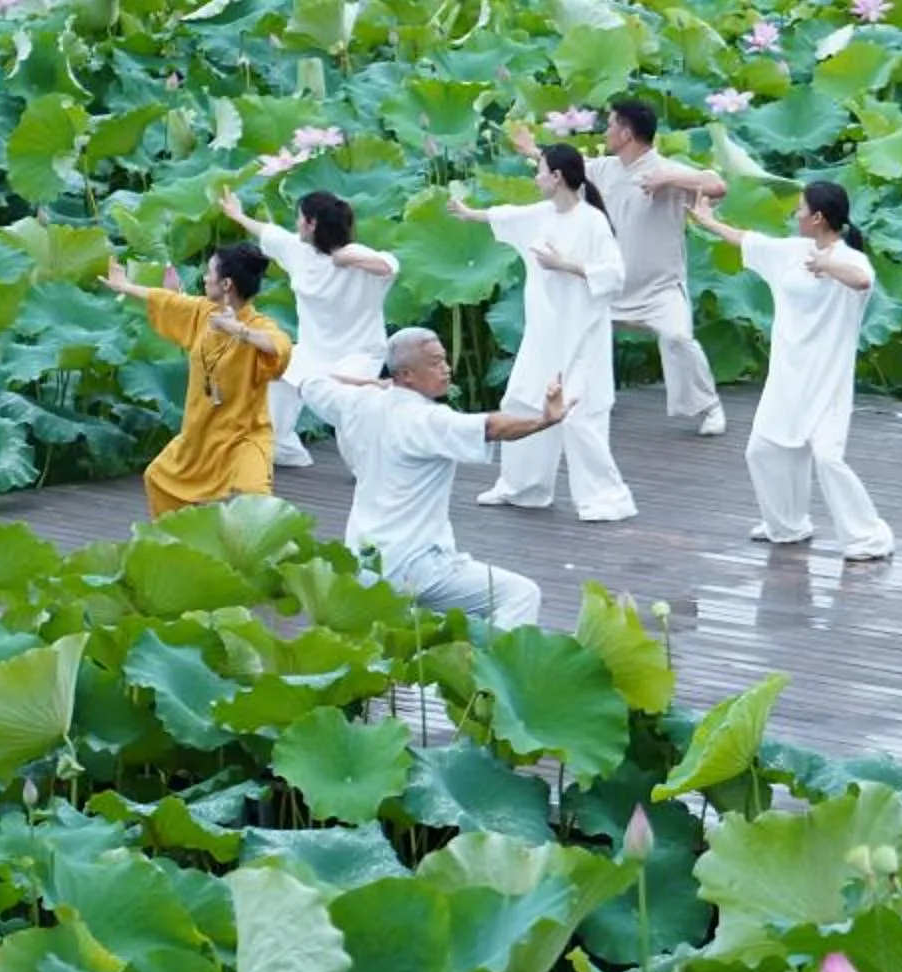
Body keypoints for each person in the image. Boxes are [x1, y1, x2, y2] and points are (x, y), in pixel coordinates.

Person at [297, 330, 561, 628]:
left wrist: (373, 384)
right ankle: (488, 670)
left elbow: (312, 381)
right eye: (436, 363)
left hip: (365, 563)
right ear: (407, 374)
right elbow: (491, 427)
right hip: (416, 567)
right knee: (520, 595)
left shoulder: (356, 404)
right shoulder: (427, 420)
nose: (446, 369)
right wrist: (545, 420)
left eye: (445, 360)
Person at [688, 183, 895, 560]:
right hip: (788, 377)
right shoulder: (791, 252)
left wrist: (827, 265)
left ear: (817, 218)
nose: (795, 214)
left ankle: (868, 538)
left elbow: (862, 280)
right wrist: (707, 221)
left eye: (800, 209)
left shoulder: (851, 259)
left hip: (827, 379)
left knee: (827, 458)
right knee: (762, 451)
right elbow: (747, 240)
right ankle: (787, 524)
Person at [446, 143, 633, 520]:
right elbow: (507, 215)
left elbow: (615, 275)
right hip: (543, 335)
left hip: (581, 337)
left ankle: (605, 498)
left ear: (557, 177)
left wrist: (565, 264)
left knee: (582, 415)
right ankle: (523, 486)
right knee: (521, 402)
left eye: (540, 170)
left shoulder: (592, 221)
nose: (536, 177)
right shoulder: (542, 214)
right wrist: (469, 214)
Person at [535, 100, 729, 437]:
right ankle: (568, 403)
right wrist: (531, 150)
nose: (606, 131)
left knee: (679, 337)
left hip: (659, 287)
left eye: (610, 125)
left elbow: (717, 185)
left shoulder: (667, 170)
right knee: (573, 336)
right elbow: (564, 168)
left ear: (626, 133)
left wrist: (670, 178)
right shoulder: (606, 169)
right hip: (611, 285)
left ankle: (708, 406)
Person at [99, 245, 291, 519]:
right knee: (158, 479)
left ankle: (267, 557)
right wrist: (125, 286)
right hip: (201, 435)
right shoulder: (203, 312)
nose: (203, 278)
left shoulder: (260, 324)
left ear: (226, 284)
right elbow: (165, 299)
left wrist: (237, 329)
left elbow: (279, 347)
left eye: (209, 272)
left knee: (256, 501)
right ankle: (180, 544)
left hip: (243, 437)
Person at [218, 186, 399, 471]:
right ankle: (286, 451)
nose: (295, 223)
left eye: (299, 217)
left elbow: (388, 267)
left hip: (359, 354)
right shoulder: (296, 250)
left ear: (312, 223)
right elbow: (267, 232)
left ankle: (371, 465)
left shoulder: (357, 255)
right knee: (276, 379)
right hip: (312, 351)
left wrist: (345, 259)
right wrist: (237, 215)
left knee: (344, 405)